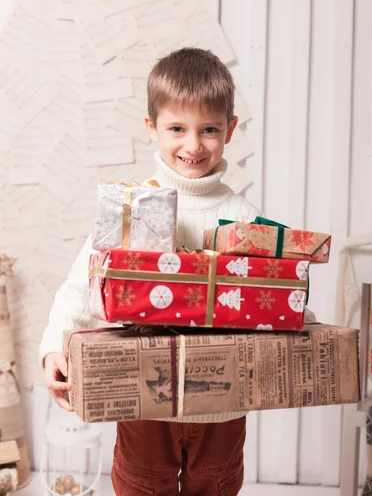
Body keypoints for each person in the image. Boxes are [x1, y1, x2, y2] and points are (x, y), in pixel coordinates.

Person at [41, 47, 315, 495]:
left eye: (208, 129)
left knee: (217, 483)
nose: (193, 145)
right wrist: (55, 347)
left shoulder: (243, 216)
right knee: (140, 484)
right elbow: (80, 285)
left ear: (229, 130)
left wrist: (300, 317)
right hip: (145, 396)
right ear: (152, 128)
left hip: (222, 406)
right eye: (177, 129)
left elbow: (276, 292)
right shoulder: (130, 206)